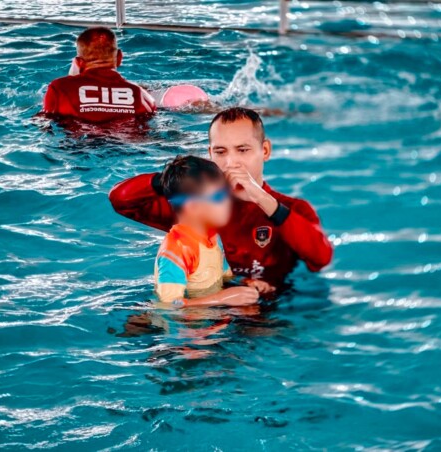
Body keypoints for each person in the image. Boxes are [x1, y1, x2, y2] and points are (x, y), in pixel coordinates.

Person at [109, 107, 333, 286]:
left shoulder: (292, 208)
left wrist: (263, 199)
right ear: (210, 154)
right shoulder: (193, 207)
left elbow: (320, 258)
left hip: (269, 312)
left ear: (264, 151)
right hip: (203, 309)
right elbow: (121, 200)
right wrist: (177, 178)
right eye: (220, 152)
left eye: (242, 150)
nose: (230, 163)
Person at [154, 155, 273, 307]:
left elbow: (223, 276)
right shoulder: (177, 248)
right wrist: (220, 299)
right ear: (192, 207)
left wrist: (246, 283)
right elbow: (169, 305)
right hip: (187, 320)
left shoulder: (212, 236)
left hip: (210, 311)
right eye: (218, 197)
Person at [43, 27, 155, 122]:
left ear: (78, 62)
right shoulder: (142, 96)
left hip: (78, 140)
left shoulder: (59, 88)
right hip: (126, 139)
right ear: (120, 58)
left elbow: (44, 123)